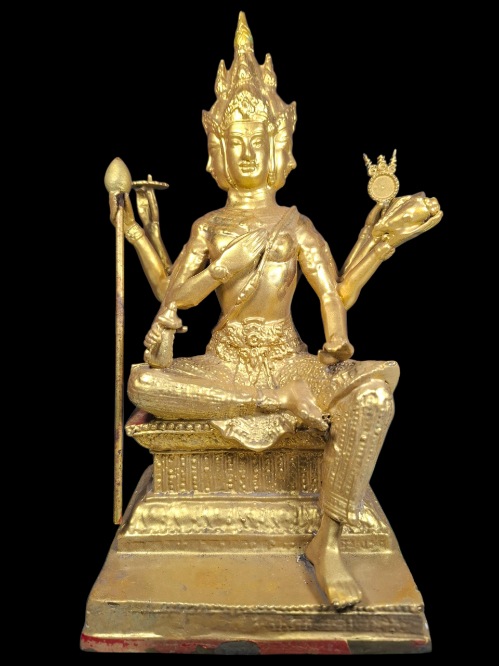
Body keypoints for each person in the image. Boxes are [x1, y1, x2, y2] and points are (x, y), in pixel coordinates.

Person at [108, 12, 442, 609]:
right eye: (233, 142)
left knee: (373, 396)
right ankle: (273, 402)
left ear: (280, 146)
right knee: (145, 383)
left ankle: (327, 541)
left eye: (256, 141)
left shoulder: (296, 225)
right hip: (226, 366)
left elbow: (335, 295)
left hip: (290, 362)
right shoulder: (209, 226)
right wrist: (135, 234)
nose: (245, 152)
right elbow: (172, 295)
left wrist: (377, 251)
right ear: (215, 150)